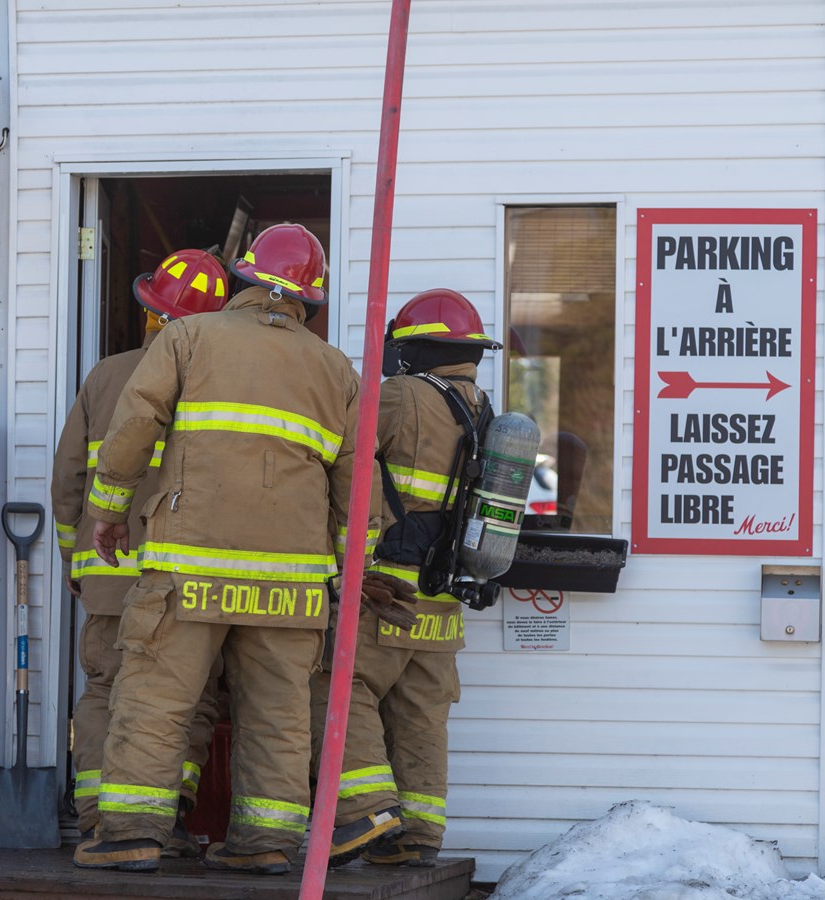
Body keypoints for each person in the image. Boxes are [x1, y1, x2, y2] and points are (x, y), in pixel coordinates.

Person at [72, 223, 384, 875]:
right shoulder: (338, 371)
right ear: (310, 299)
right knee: (278, 712)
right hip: (292, 586)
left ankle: (129, 832)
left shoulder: (189, 337)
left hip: (190, 568)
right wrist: (350, 569)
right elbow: (359, 488)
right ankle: (264, 842)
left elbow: (135, 424)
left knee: (156, 698)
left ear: (242, 277)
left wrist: (107, 512)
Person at [313, 288, 502, 867]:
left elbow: (345, 468)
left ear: (413, 348)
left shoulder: (398, 395)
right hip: (443, 597)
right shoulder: (483, 410)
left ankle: (367, 809)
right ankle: (418, 835)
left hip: (385, 587)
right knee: (422, 714)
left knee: (337, 685)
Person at [51, 248, 229, 855]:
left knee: (106, 690)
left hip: (108, 573)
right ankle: (166, 818)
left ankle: (97, 816)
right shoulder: (220, 384)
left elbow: (69, 478)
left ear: (150, 312)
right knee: (187, 698)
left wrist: (74, 558)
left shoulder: (106, 375)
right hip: (185, 575)